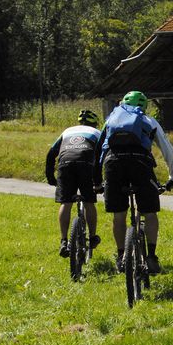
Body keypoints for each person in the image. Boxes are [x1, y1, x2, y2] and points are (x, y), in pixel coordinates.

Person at [95, 90, 173, 274]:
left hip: (113, 164)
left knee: (119, 215)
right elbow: (167, 150)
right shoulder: (149, 121)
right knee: (149, 213)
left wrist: (98, 180)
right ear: (144, 106)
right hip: (140, 164)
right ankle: (151, 257)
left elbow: (100, 149)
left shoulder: (111, 120)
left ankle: (120, 257)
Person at [45, 109, 102, 257]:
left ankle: (64, 240)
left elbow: (51, 153)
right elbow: (102, 156)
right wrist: (99, 182)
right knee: (89, 202)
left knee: (66, 203)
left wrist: (50, 177)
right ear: (95, 123)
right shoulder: (97, 132)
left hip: (65, 164)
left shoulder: (67, 131)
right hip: (86, 165)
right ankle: (93, 237)